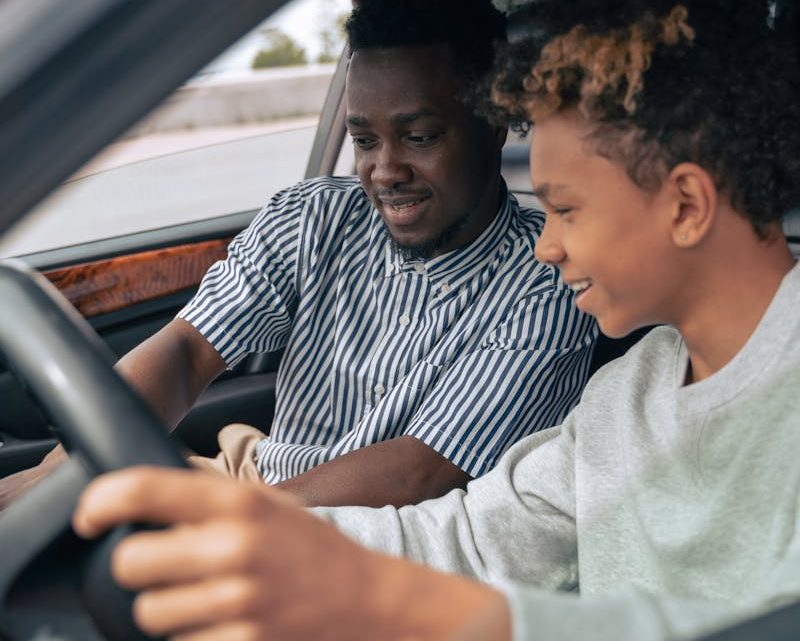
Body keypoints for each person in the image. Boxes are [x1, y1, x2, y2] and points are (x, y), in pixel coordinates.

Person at [72, 0, 800, 639]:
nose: (546, 243)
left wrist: (413, 605)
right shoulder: (627, 396)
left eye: (567, 209)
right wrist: (263, 539)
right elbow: (473, 538)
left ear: (685, 206)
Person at [0, 0, 596, 510]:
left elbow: (421, 472)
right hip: (248, 484)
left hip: (362, 538)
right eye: (363, 141)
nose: (384, 171)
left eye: (419, 137)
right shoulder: (313, 218)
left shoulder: (546, 281)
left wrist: (221, 522)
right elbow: (185, 350)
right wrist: (54, 479)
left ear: (493, 124)